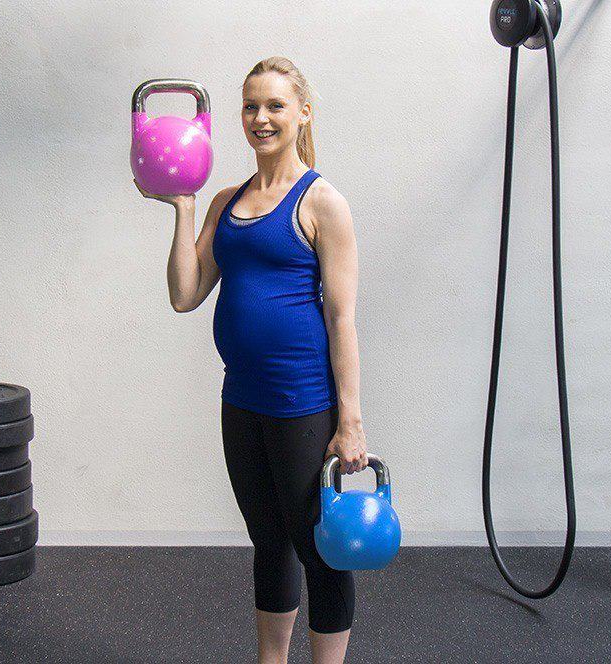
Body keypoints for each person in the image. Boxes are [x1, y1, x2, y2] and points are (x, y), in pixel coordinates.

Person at [136, 56, 367, 664]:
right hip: (240, 400)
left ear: (303, 113)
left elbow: (342, 319)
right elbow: (185, 295)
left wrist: (351, 422)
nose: (260, 118)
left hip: (302, 403)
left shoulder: (323, 202)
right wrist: (185, 208)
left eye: (275, 106)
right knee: (268, 543)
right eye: (250, 106)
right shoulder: (224, 201)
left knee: (318, 547)